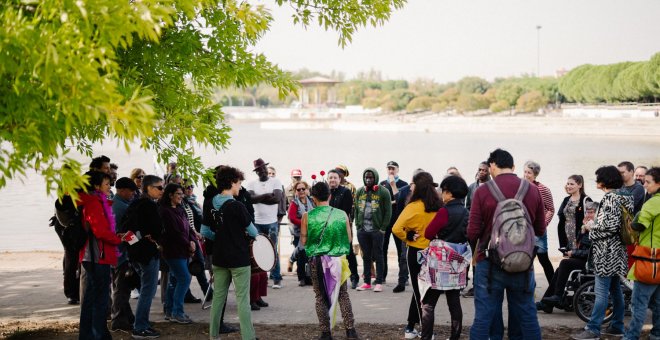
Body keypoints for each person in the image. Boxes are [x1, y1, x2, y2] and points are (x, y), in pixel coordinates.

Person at [468, 148, 546, 340]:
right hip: (522, 262)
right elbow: (541, 230)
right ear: (513, 166)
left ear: (492, 165)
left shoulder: (483, 190)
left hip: (489, 263)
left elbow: (472, 232)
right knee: (527, 316)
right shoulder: (533, 190)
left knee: (484, 317)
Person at [571, 165, 634, 340]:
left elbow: (609, 227)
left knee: (601, 292)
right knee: (615, 291)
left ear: (604, 181)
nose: (596, 180)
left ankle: (593, 329)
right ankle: (616, 326)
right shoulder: (626, 196)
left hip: (606, 252)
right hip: (619, 250)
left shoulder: (610, 198)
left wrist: (590, 228)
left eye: (598, 177)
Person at [301, 182, 359, 340]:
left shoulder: (307, 216)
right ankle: (350, 330)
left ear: (313, 198)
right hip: (338, 261)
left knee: (320, 297)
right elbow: (349, 238)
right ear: (330, 195)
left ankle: (326, 333)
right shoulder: (342, 214)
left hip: (317, 262)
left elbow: (304, 241)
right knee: (343, 295)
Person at [208, 165, 258, 340]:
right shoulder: (237, 206)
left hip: (219, 256)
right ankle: (248, 337)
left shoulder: (211, 202)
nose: (240, 187)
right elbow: (253, 232)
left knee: (218, 299)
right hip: (238, 258)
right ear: (231, 183)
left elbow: (206, 231)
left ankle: (213, 335)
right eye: (238, 183)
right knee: (242, 299)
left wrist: (222, 235)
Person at [420, 175, 470, 340]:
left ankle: (426, 337)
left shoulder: (444, 211)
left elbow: (428, 233)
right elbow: (469, 235)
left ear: (449, 193)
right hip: (457, 263)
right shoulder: (466, 212)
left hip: (439, 263)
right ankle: (454, 337)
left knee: (428, 304)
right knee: (454, 303)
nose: (442, 194)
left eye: (443, 190)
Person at [392, 171, 441, 339]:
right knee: (424, 293)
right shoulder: (438, 206)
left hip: (415, 253)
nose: (410, 187)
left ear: (417, 188)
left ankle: (421, 330)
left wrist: (408, 236)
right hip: (433, 254)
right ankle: (412, 327)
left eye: (412, 185)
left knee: (419, 292)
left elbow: (396, 228)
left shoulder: (412, 207)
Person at [78, 171, 123, 340]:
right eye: (106, 184)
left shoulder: (95, 201)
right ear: (96, 186)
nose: (109, 186)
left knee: (95, 298)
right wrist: (117, 239)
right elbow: (100, 231)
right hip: (96, 257)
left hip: (95, 256)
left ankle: (94, 334)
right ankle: (96, 335)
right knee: (98, 299)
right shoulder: (93, 202)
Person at [123, 175, 164, 339]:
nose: (162, 190)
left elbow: (124, 231)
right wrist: (148, 242)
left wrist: (134, 247)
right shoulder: (148, 205)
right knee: (148, 290)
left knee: (146, 289)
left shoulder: (134, 203)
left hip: (137, 255)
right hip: (147, 255)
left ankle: (142, 323)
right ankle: (140, 327)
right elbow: (157, 230)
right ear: (148, 188)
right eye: (159, 187)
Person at [538, 201, 596, 313]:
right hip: (584, 259)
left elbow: (590, 252)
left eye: (591, 212)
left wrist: (573, 253)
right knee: (560, 269)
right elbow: (582, 246)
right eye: (587, 212)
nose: (588, 215)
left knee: (565, 263)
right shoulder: (588, 227)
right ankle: (547, 304)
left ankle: (558, 296)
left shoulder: (596, 228)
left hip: (591, 261)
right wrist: (583, 230)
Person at [624, 167, 660, 340]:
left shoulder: (653, 202)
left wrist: (631, 221)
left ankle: (631, 337)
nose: (644, 185)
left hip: (648, 259)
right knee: (658, 303)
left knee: (638, 303)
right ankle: (656, 334)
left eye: (648, 182)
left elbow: (639, 225)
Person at [159, 183, 196, 324]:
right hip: (173, 251)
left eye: (182, 194)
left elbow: (188, 228)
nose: (181, 196)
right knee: (184, 278)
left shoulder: (180, 209)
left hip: (184, 250)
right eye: (178, 194)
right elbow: (174, 233)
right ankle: (177, 312)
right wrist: (189, 244)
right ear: (170, 195)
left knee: (174, 281)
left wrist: (192, 240)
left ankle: (169, 311)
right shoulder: (164, 211)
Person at [247, 158, 284, 288]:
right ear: (256, 172)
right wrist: (266, 195)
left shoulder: (276, 181)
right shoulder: (251, 184)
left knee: (273, 249)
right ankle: (262, 280)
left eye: (263, 168)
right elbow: (250, 199)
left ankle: (277, 278)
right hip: (256, 222)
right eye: (259, 170)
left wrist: (259, 198)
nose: (262, 171)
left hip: (272, 222)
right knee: (258, 251)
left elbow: (277, 199)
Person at [354, 167, 392, 292]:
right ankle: (366, 282)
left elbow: (388, 211)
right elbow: (356, 210)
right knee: (366, 256)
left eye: (370, 177)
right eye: (366, 177)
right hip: (363, 230)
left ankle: (379, 282)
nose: (368, 180)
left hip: (377, 231)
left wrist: (382, 228)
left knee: (379, 255)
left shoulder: (384, 192)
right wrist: (358, 226)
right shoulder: (360, 191)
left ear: (375, 178)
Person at [391, 168, 426, 293]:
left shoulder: (429, 196)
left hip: (423, 233)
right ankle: (402, 281)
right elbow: (399, 211)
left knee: (423, 259)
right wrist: (405, 232)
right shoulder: (404, 191)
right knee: (403, 257)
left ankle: (423, 282)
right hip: (407, 230)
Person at [110, 177, 138, 331]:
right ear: (121, 190)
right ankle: (119, 320)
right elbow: (121, 232)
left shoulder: (120, 204)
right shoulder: (120, 207)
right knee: (121, 288)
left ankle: (127, 316)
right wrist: (137, 242)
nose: (133, 194)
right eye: (131, 191)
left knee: (122, 287)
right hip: (121, 254)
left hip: (118, 253)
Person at [327, 169, 360, 289]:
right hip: (328, 228)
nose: (332, 180)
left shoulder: (345, 192)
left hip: (342, 227)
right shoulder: (326, 192)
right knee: (330, 253)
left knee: (348, 252)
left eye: (335, 178)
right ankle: (333, 277)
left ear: (339, 179)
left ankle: (354, 277)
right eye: (330, 178)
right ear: (327, 179)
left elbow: (346, 211)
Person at [523, 160, 555, 285]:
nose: (526, 175)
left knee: (543, 259)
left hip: (538, 231)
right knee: (525, 260)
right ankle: (529, 287)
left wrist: (543, 224)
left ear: (535, 174)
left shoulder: (543, 189)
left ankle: (553, 288)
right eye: (525, 172)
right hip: (523, 231)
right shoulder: (520, 187)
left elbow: (550, 209)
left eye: (529, 173)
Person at [463, 161, 490, 297]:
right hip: (473, 228)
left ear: (489, 171)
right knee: (470, 257)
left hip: (487, 230)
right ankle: (469, 285)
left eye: (484, 170)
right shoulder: (471, 187)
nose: (481, 172)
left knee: (482, 258)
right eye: (479, 169)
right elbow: (467, 208)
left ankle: (480, 285)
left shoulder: (493, 187)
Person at [380, 161, 409, 287]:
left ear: (397, 170)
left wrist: (393, 186)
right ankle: (382, 276)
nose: (391, 171)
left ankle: (403, 277)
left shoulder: (404, 185)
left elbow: (404, 203)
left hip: (399, 221)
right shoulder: (381, 184)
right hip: (385, 222)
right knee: (383, 250)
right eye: (389, 168)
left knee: (401, 252)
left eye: (393, 168)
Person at [287, 180, 314, 286]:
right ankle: (302, 278)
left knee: (311, 256)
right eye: (299, 189)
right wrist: (304, 224)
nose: (302, 191)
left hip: (311, 233)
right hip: (299, 233)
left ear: (307, 190)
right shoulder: (294, 203)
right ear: (295, 191)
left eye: (303, 189)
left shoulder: (311, 201)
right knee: (301, 256)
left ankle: (310, 277)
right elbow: (292, 218)